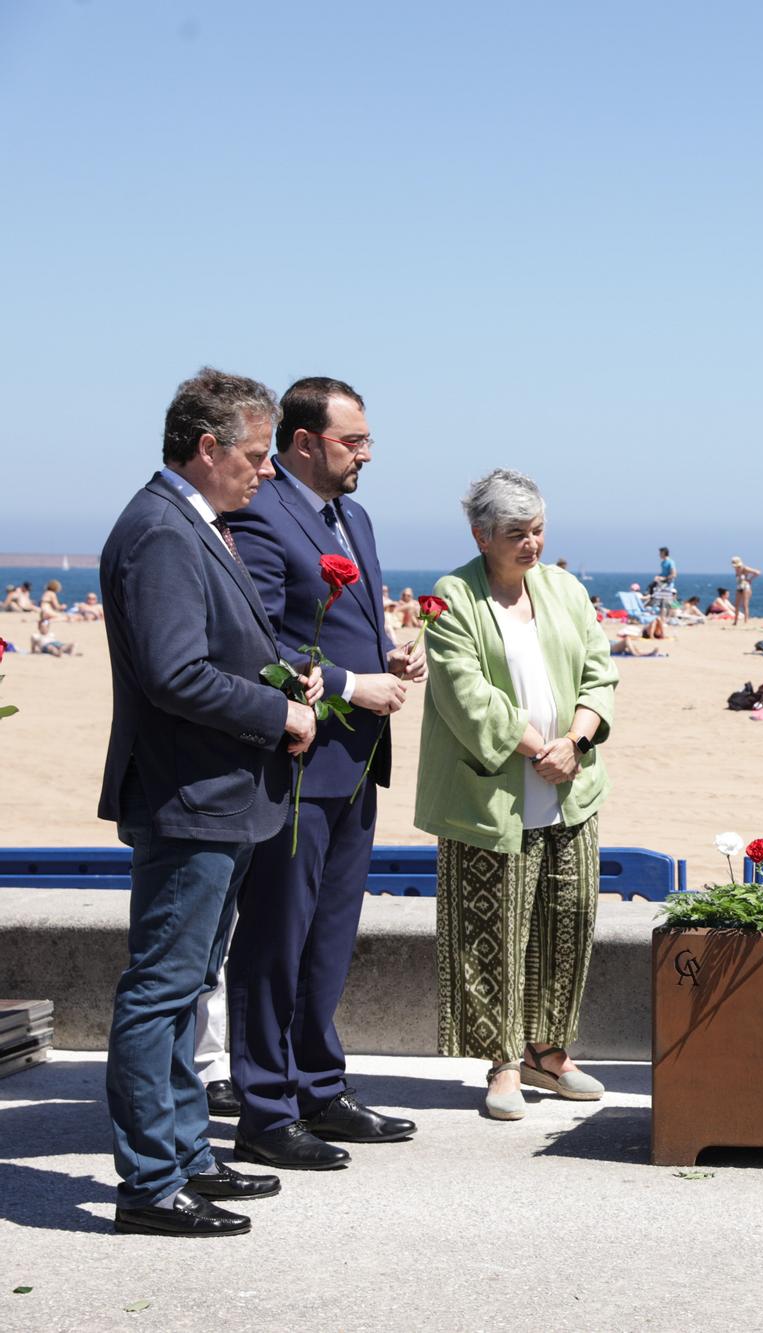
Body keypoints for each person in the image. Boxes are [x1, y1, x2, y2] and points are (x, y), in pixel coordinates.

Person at [98, 368, 321, 1237]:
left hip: (218, 793)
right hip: (190, 794)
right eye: (257, 456)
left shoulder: (195, 522)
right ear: (207, 449)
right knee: (161, 989)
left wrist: (277, 677)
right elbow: (173, 673)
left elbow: (208, 651)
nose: (265, 473)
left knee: (189, 985)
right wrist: (280, 710)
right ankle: (150, 1182)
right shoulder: (160, 529)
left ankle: (186, 1151)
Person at [221, 377, 424, 1171]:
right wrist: (346, 684)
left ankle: (318, 1085)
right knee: (277, 935)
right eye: (354, 441)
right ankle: (265, 1105)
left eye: (368, 439)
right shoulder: (260, 516)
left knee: (330, 937)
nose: (367, 454)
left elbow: (343, 623)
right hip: (299, 762)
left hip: (359, 759)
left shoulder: (357, 517)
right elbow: (257, 644)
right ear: (303, 441)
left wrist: (389, 654)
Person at [416, 469, 618, 1120]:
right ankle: (502, 1062)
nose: (530, 543)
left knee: (569, 920)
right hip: (490, 797)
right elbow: (466, 697)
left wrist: (577, 744)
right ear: (481, 535)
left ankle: (550, 1052)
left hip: (570, 791)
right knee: (491, 934)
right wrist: (540, 748)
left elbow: (599, 671)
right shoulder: (453, 596)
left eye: (537, 530)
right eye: (515, 533)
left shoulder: (564, 588)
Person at [730, 556, 760, 624]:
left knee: (745, 604)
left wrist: (749, 579)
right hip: (739, 587)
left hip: (746, 587)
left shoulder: (745, 568)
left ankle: (746, 621)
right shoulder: (736, 569)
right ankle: (735, 621)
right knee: (736, 604)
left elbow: (757, 572)